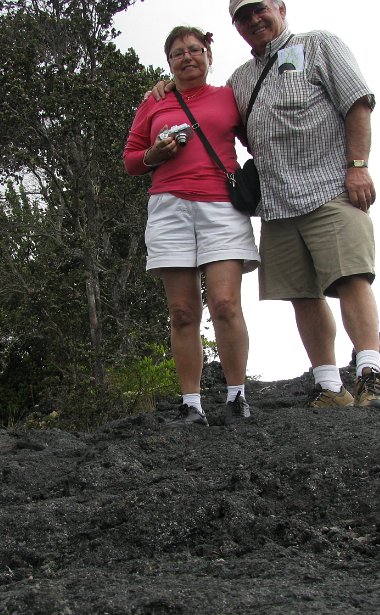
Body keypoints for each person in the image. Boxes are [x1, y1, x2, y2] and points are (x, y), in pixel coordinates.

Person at [227, 0, 380, 413]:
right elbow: (207, 110)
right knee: (301, 293)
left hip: (330, 187)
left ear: (281, 8)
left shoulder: (319, 45)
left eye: (259, 9)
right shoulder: (240, 80)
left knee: (353, 277)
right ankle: (330, 387)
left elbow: (357, 102)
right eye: (242, 16)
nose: (253, 20)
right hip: (278, 205)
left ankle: (371, 376)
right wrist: (168, 89)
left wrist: (358, 167)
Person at [123, 26, 261, 426]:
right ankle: (191, 404)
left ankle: (237, 396)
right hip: (169, 208)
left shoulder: (228, 98)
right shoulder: (154, 102)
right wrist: (154, 153)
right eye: (178, 52)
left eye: (195, 50)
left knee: (224, 304)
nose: (188, 57)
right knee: (183, 312)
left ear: (208, 55)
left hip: (221, 206)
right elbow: (131, 159)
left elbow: (258, 140)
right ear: (168, 62)